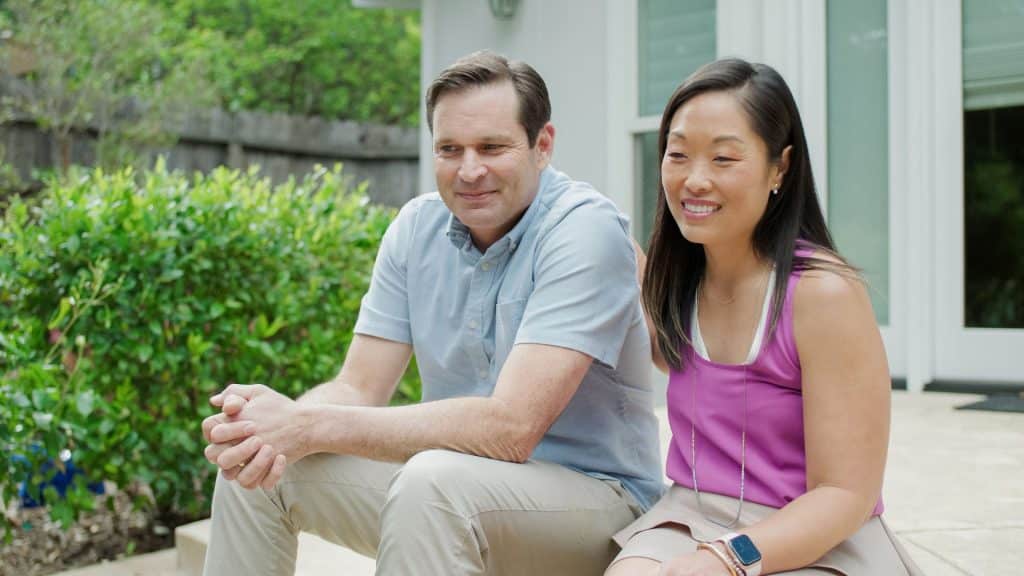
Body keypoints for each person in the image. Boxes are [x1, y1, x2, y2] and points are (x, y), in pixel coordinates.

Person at [198, 50, 663, 576]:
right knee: (259, 464)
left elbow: (511, 428)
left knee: (432, 482)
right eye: (450, 149)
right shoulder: (415, 228)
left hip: (598, 507)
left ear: (542, 146)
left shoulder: (582, 231)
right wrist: (278, 424)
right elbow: (356, 389)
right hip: (452, 488)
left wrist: (310, 424)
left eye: (491, 147)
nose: (470, 170)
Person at [607, 59, 923, 575]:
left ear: (781, 167)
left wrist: (728, 560)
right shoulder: (677, 276)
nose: (695, 180)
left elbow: (846, 492)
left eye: (724, 158)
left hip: (814, 533)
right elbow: (673, 358)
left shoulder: (823, 294)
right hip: (690, 515)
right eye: (678, 154)